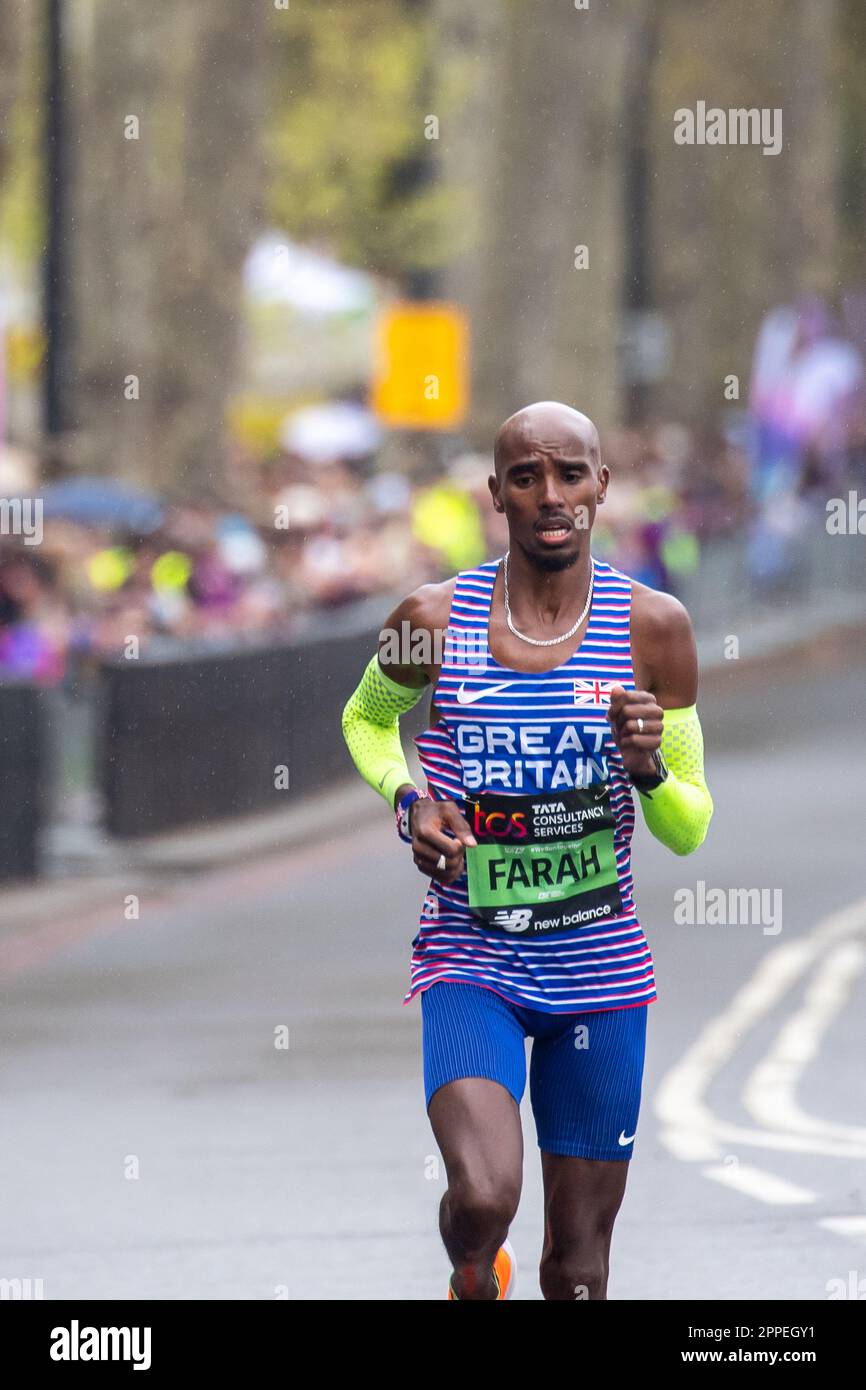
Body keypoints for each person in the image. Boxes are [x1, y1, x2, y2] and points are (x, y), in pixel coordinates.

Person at [341, 402, 713, 1300]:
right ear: (496, 494)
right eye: (526, 476)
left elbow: (690, 825)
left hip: (603, 972)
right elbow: (366, 720)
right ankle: (472, 1266)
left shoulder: (654, 627)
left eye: (570, 474)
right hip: (474, 960)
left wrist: (650, 769)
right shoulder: (429, 618)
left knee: (580, 1269)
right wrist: (410, 799)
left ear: (601, 489)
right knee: (482, 1194)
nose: (551, 495)